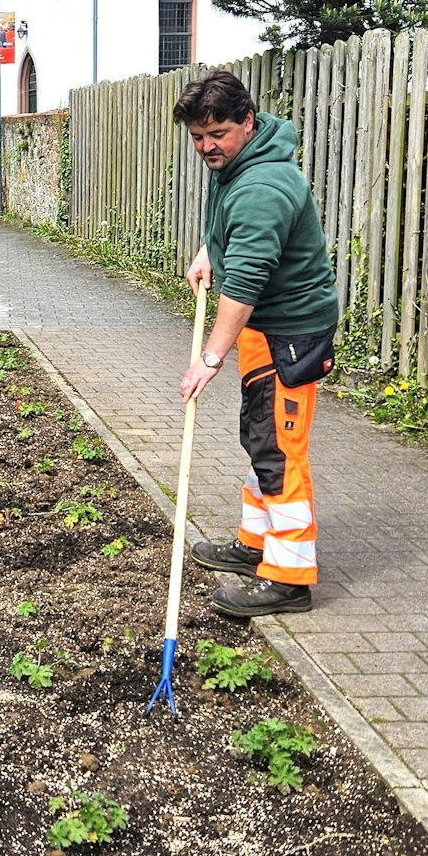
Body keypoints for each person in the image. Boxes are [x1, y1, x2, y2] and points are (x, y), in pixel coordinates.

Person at [173, 71, 339, 619]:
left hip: (288, 334)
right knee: (260, 437)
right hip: (266, 330)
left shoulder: (264, 186)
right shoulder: (242, 161)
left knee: (281, 449)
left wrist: (210, 358)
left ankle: (290, 576)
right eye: (198, 137)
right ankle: (255, 545)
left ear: (246, 120)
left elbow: (243, 285)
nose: (206, 147)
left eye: (216, 133)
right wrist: (208, 251)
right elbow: (235, 234)